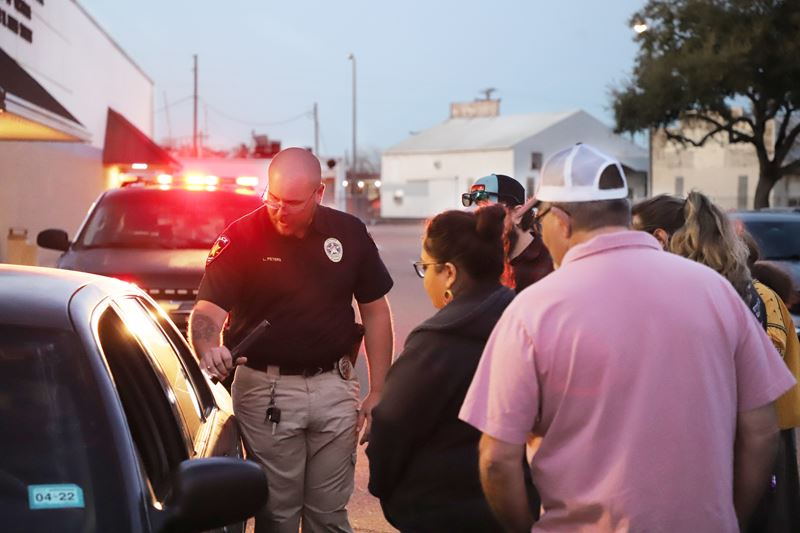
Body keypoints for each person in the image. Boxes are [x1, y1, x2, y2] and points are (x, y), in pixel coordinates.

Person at [458, 143, 796, 532]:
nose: (538, 228)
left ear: (562, 221)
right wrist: (728, 518)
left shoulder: (533, 309)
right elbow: (762, 429)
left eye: (540, 216)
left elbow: (495, 460)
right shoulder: (715, 290)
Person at [188, 147, 395, 533]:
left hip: (335, 385)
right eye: (274, 198)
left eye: (293, 203)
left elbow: (375, 310)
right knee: (277, 515)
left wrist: (379, 388)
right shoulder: (242, 236)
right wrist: (208, 347)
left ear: (319, 193)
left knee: (328, 516)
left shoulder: (348, 233)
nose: (280, 211)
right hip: (265, 390)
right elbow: (207, 312)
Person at [633, 193, 800, 532]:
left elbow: (758, 402)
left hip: (752, 454)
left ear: (659, 239)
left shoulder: (744, 298)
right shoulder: (718, 294)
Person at [366, 204, 514, 532]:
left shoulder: (436, 342)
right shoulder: (523, 319)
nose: (425, 279)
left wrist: (385, 487)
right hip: (515, 505)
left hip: (442, 512)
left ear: (449, 272)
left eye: (426, 268)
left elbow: (391, 424)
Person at [461, 174, 553, 291]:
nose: (480, 226)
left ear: (517, 213)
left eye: (488, 216)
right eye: (475, 218)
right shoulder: (484, 259)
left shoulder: (550, 263)